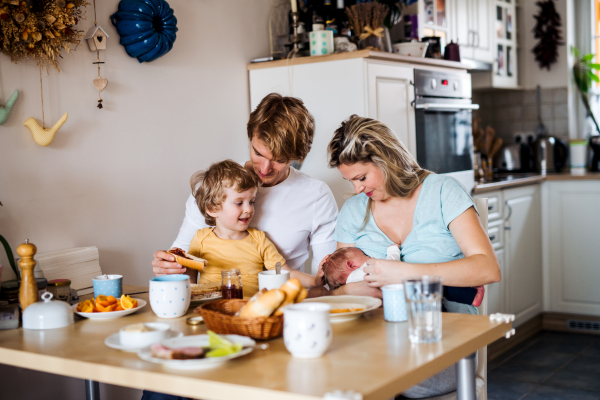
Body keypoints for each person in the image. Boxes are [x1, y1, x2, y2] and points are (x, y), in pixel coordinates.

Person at [145, 94, 337, 400]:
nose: (264, 167)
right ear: (250, 136)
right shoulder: (213, 189)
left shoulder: (315, 195)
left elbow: (326, 278)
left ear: (297, 155)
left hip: (271, 323)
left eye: (280, 159)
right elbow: (183, 260)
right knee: (165, 386)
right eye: (258, 152)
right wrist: (170, 266)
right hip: (208, 317)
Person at [324, 115, 500, 398]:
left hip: (441, 341)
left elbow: (488, 268)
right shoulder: (353, 211)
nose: (357, 190)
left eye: (361, 178)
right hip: (373, 340)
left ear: (384, 159)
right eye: (351, 181)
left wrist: (402, 273)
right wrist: (350, 289)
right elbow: (339, 287)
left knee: (359, 381)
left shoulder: (443, 192)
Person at [188, 159, 319, 297]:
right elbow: (189, 275)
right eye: (239, 203)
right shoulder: (200, 239)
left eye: (251, 202)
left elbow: (287, 273)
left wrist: (315, 281)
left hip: (249, 310)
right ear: (212, 208)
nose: (248, 209)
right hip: (211, 308)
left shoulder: (259, 240)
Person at [321, 246, 485, 307]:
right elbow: (391, 265)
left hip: (392, 305)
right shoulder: (365, 269)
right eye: (364, 254)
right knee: (441, 288)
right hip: (405, 290)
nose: (368, 256)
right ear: (351, 265)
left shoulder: (349, 291)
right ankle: (472, 296)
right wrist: (393, 251)